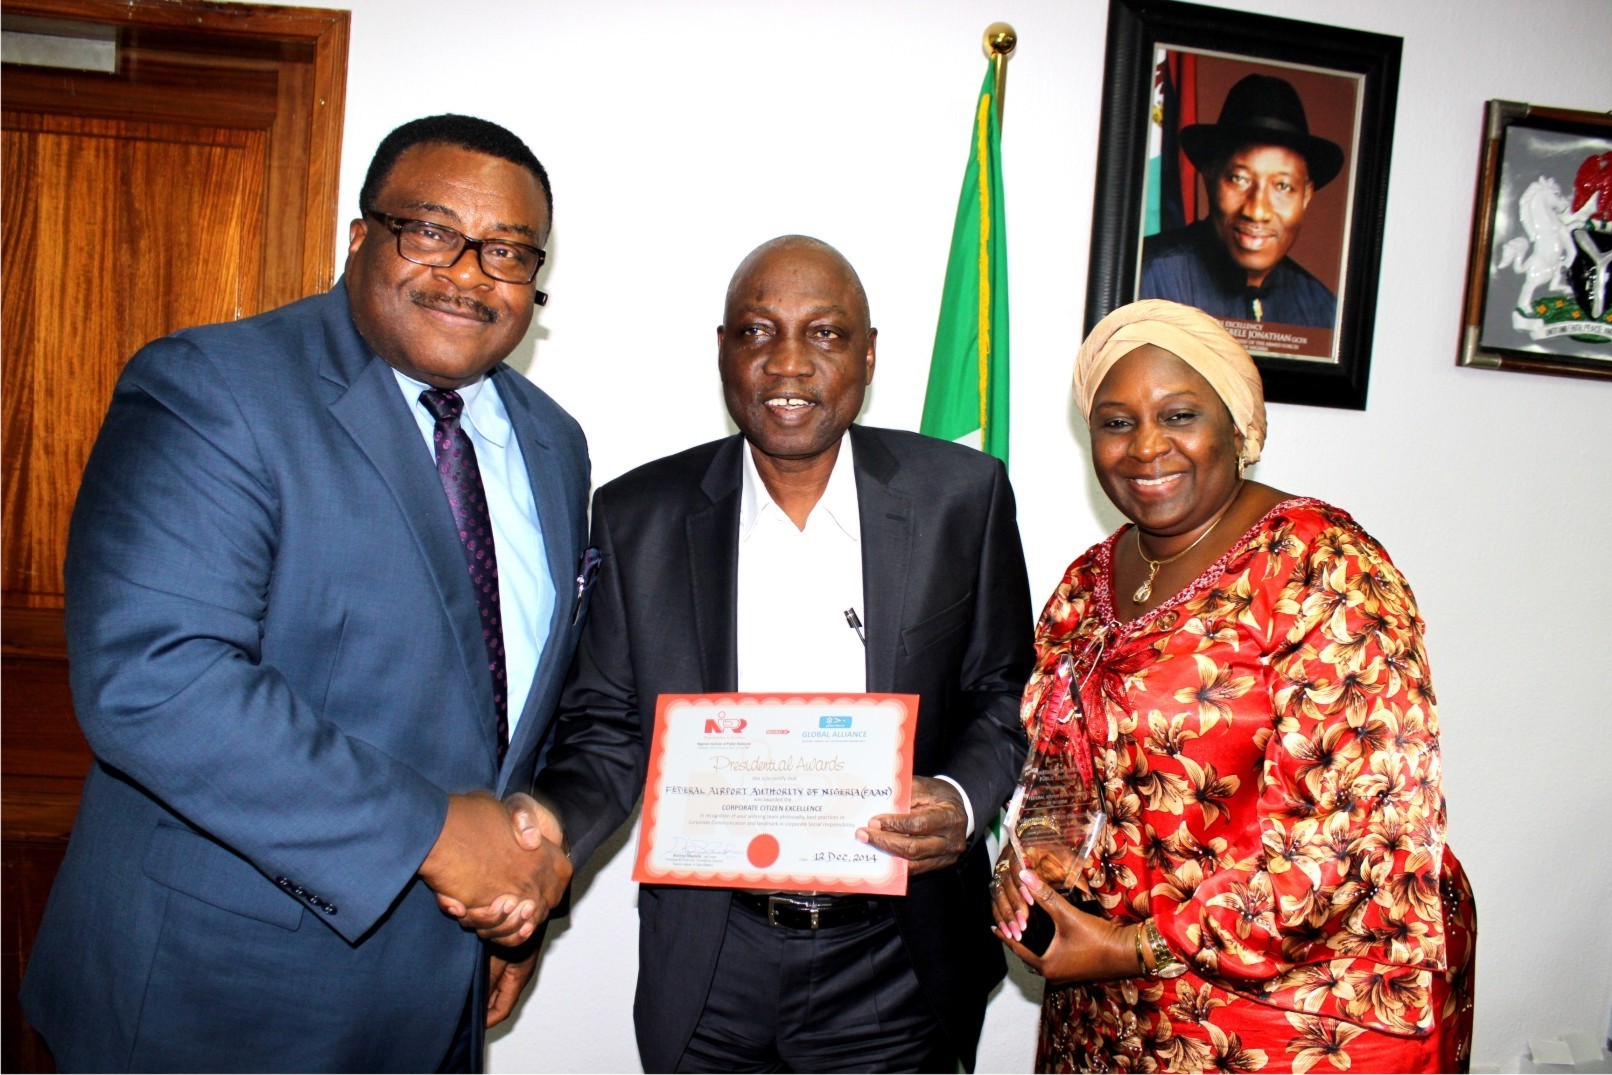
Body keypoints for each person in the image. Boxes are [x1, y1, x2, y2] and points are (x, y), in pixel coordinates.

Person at [20, 114, 588, 1072]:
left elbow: (512, 700)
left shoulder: (553, 441)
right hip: (216, 999)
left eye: (506, 252)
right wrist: (440, 833)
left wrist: (515, 896)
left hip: (439, 988)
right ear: (361, 237)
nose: (467, 272)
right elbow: (159, 680)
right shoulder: (213, 388)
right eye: (433, 231)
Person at [518, 235, 1033, 1072]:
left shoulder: (959, 496)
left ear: (868, 356)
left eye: (824, 334)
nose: (787, 363)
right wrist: (543, 835)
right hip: (714, 956)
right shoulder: (637, 514)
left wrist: (960, 798)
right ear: (722, 350)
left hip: (894, 957)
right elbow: (604, 726)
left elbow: (1007, 688)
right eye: (757, 332)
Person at [989, 299, 1476, 1072]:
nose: (1145, 446)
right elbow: (1057, 767)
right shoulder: (1088, 580)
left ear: (1237, 426)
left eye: (1177, 414)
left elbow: (1362, 832)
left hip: (1288, 1015)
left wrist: (1137, 944)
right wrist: (1030, 867)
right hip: (1108, 1012)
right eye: (1115, 423)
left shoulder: (1323, 568)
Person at [1140, 74, 1344, 328]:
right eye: (1239, 179)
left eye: (1283, 186)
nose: (1257, 211)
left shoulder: (1323, 312)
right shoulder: (1144, 278)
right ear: (1209, 177)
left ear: (1305, 196)